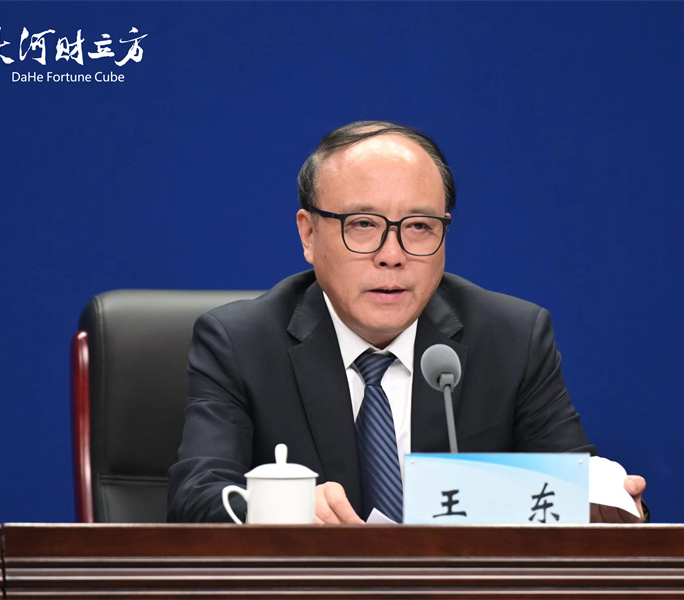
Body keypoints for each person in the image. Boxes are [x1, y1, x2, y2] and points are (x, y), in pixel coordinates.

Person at [167, 120, 647, 524]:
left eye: (419, 227)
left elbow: (572, 495)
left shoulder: (513, 338)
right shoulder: (240, 343)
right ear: (309, 234)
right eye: (363, 225)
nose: (392, 255)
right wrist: (282, 509)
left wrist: (611, 506)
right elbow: (196, 498)